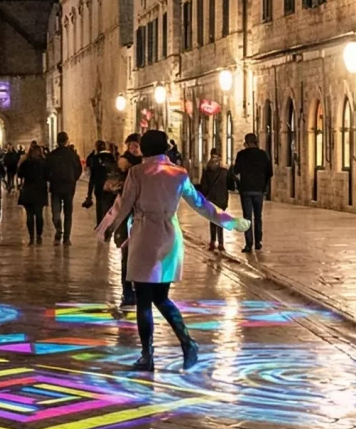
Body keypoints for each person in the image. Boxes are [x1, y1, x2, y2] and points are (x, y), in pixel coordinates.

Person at [98, 129, 239, 369]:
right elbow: (202, 205)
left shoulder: (137, 173)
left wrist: (108, 228)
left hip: (144, 237)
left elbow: (124, 204)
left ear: (144, 149)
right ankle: (186, 342)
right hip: (169, 238)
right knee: (161, 297)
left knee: (144, 299)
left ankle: (147, 355)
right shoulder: (179, 174)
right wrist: (232, 222)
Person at [230, 133, 273, 253]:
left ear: (246, 143)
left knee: (247, 217)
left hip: (246, 190)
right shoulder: (263, 155)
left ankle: (249, 244)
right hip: (259, 190)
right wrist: (264, 184)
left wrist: (239, 184)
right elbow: (269, 172)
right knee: (258, 216)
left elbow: (235, 170)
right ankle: (258, 241)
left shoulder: (242, 155)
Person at [46, 132, 83, 243]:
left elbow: (46, 171)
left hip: (56, 187)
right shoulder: (72, 155)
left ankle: (59, 230)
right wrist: (73, 179)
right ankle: (66, 238)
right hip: (69, 187)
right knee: (68, 213)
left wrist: (51, 179)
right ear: (67, 141)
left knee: (56, 212)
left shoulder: (52, 155)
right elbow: (78, 169)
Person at [197, 148, 232, 250]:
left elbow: (203, 186)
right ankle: (221, 242)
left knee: (213, 220)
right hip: (222, 199)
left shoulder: (207, 171)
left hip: (211, 199)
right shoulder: (225, 172)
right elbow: (230, 186)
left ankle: (213, 241)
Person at [18, 142, 50, 244]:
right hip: (40, 190)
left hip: (28, 190)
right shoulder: (44, 163)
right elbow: (48, 176)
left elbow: (19, 174)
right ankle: (39, 236)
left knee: (30, 215)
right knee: (39, 215)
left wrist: (21, 163)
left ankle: (31, 237)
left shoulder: (26, 162)